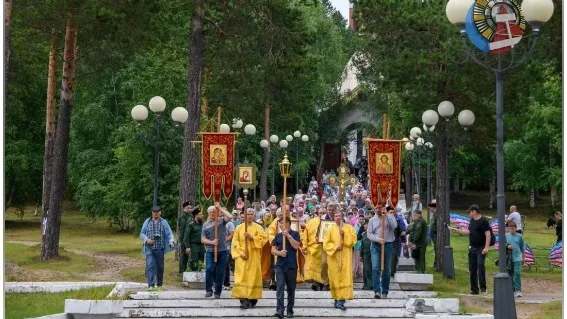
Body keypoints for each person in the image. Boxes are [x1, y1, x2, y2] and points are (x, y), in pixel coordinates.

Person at [231, 208, 268, 309]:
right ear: (244, 215)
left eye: (252, 214)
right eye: (248, 214)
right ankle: (243, 299)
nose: (250, 216)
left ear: (254, 215)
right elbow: (235, 242)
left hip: (254, 257)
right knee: (241, 278)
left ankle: (252, 299)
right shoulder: (239, 228)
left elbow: (263, 239)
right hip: (242, 257)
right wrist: (241, 253)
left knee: (253, 277)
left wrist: (252, 237)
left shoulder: (258, 228)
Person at [452, 205, 491, 295]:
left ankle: (483, 288)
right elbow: (469, 232)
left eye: (470, 212)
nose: (469, 214)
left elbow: (488, 234)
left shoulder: (483, 221)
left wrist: (486, 247)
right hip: (472, 247)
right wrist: (456, 230)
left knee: (480, 265)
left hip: (481, 247)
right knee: (472, 268)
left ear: (474, 211)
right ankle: (474, 289)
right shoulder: (472, 221)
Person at [323, 210, 356, 310]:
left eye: (339, 216)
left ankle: (341, 301)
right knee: (335, 279)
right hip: (333, 258)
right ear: (333, 218)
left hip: (345, 258)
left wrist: (344, 235)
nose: (337, 217)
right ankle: (336, 300)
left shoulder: (349, 228)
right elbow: (326, 243)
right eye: (336, 215)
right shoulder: (329, 229)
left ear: (342, 217)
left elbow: (353, 241)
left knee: (345, 277)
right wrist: (335, 248)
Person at [139, 206, 175, 291]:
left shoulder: (164, 222)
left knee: (160, 267)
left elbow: (169, 233)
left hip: (160, 248)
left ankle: (159, 285)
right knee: (150, 266)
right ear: (152, 213)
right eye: (154, 212)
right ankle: (150, 285)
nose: (155, 213)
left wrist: (171, 241)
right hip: (149, 248)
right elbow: (141, 234)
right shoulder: (147, 221)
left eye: (157, 211)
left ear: (160, 212)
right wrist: (146, 239)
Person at [272, 216, 301, 318]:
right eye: (280, 223)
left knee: (291, 289)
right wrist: (279, 253)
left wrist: (288, 236)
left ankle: (290, 310)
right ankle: (280, 310)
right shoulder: (277, 236)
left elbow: (296, 246)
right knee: (280, 287)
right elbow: (273, 250)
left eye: (283, 223)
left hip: (291, 265)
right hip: (280, 266)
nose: (281, 225)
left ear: (288, 223)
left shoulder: (295, 234)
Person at [201, 203, 232, 298]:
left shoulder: (222, 221)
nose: (212, 214)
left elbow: (230, 216)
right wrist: (211, 242)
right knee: (209, 269)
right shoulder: (205, 225)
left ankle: (217, 292)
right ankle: (209, 290)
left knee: (220, 272)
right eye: (211, 212)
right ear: (208, 213)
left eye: (214, 212)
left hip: (222, 250)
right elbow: (202, 239)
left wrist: (220, 208)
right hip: (210, 251)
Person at [367, 206, 397, 299]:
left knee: (386, 269)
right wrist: (377, 239)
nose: (379, 210)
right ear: (375, 209)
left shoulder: (390, 217)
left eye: (381, 208)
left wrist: (387, 215)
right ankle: (377, 291)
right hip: (376, 245)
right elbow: (369, 234)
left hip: (388, 245)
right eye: (377, 208)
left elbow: (394, 226)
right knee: (375, 267)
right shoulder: (372, 220)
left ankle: (385, 291)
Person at [505, 221, 525, 297]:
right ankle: (512, 289)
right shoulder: (506, 235)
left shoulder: (519, 236)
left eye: (513, 228)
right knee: (510, 273)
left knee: (517, 273)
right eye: (510, 229)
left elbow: (522, 247)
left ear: (516, 228)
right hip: (509, 258)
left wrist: (523, 258)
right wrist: (507, 246)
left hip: (517, 257)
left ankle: (518, 290)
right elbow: (502, 245)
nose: (511, 230)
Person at [408, 209, 428, 274]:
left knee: (421, 257)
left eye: (414, 215)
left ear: (417, 214)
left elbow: (417, 233)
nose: (413, 216)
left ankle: (422, 270)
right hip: (418, 242)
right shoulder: (417, 221)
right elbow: (412, 229)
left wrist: (413, 242)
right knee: (416, 256)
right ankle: (418, 268)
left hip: (421, 243)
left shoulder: (420, 222)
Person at [178, 201, 196, 273]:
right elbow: (184, 228)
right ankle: (182, 270)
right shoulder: (182, 216)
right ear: (184, 208)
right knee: (184, 254)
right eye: (188, 208)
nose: (189, 209)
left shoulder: (190, 216)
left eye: (190, 208)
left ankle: (187, 269)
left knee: (188, 254)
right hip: (183, 238)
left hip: (190, 238)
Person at [391, 206, 407, 278]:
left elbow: (402, 230)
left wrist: (403, 241)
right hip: (387, 241)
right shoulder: (386, 219)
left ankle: (392, 271)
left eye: (393, 211)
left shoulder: (399, 219)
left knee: (394, 256)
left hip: (396, 240)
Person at [358, 220, 373, 290]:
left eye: (366, 224)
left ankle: (370, 284)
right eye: (365, 224)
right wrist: (361, 255)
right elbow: (362, 245)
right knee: (365, 270)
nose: (365, 226)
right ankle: (365, 284)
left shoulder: (374, 233)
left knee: (369, 269)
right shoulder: (364, 234)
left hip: (372, 253)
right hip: (365, 254)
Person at [223, 219, 236, 290]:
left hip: (226, 248)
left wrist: (223, 241)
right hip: (215, 247)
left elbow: (232, 235)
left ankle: (226, 283)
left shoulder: (230, 224)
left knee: (225, 266)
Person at [353, 214, 365, 279]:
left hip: (363, 245)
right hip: (357, 245)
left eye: (363, 219)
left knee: (361, 260)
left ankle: (360, 272)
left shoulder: (365, 226)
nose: (361, 220)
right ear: (358, 219)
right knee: (357, 260)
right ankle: (355, 272)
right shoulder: (355, 226)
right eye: (360, 219)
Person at [428, 200, 438, 269]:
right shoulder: (434, 214)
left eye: (431, 206)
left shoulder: (437, 214)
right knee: (435, 249)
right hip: (433, 235)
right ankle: (436, 264)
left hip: (436, 235)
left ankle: (436, 264)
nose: (429, 208)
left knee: (437, 250)